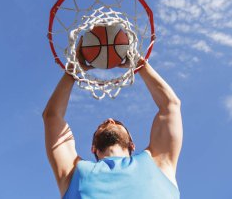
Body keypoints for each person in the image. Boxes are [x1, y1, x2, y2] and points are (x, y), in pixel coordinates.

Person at [42, 45, 183, 198]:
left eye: (117, 123)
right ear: (93, 148)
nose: (110, 120)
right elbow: (52, 117)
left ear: (132, 144)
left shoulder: (158, 162)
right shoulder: (74, 171)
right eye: (103, 125)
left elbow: (171, 105)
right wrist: (72, 72)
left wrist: (140, 65)